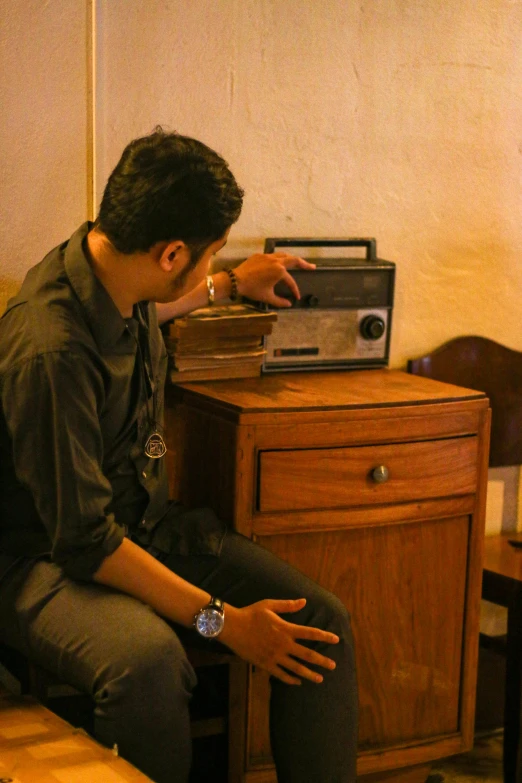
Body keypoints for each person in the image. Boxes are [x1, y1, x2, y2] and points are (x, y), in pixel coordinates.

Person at [0, 129, 358, 783]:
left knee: (319, 622)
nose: (212, 262)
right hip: (42, 559)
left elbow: (150, 313)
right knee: (149, 664)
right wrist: (222, 621)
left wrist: (224, 283)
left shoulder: (116, 276)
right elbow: (83, 540)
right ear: (170, 253)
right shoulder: (48, 346)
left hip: (142, 528)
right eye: (210, 250)